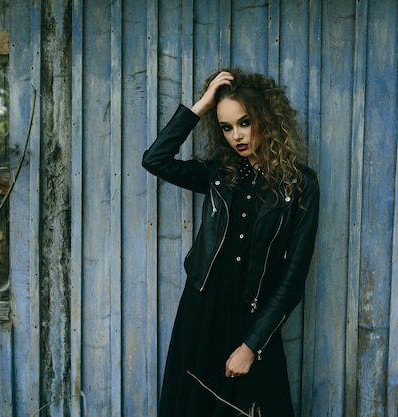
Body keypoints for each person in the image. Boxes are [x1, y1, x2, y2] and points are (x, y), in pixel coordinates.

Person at [142, 68, 319, 417]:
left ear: (265, 120)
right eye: (226, 127)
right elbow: (155, 160)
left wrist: (252, 346)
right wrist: (203, 105)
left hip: (252, 317)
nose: (236, 136)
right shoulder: (219, 174)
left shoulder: (300, 185)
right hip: (201, 311)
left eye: (244, 122)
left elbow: (293, 278)